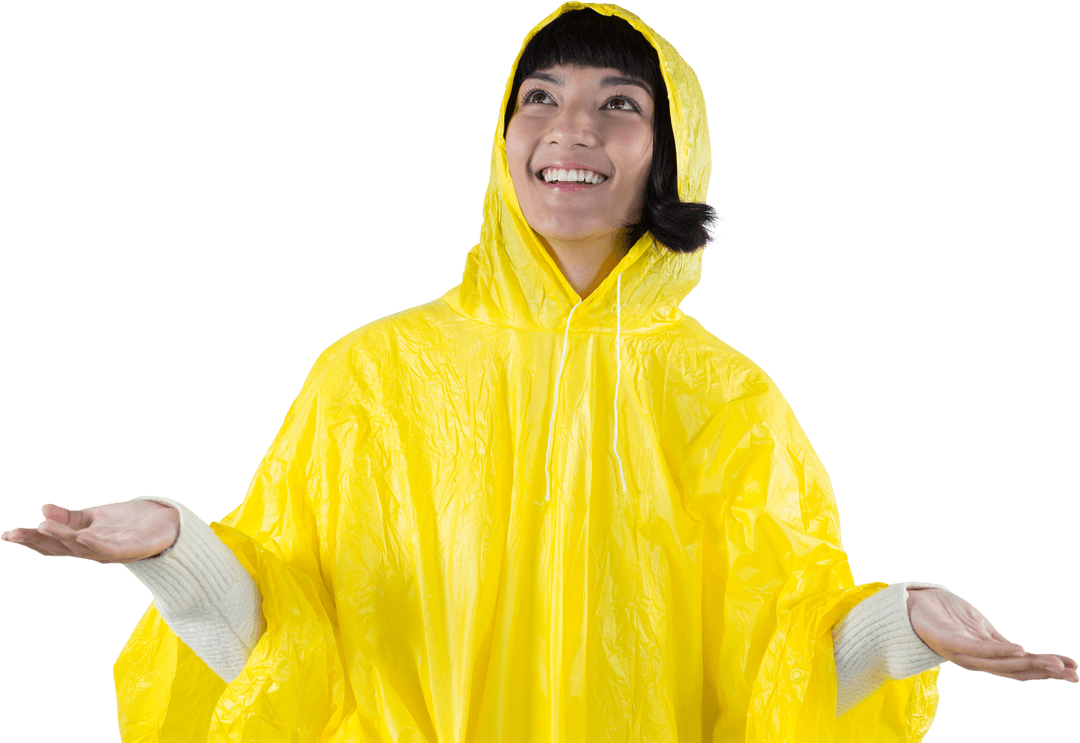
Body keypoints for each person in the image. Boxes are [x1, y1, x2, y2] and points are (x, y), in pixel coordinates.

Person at [2, 3, 1075, 741]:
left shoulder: (728, 403)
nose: (572, 129)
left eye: (620, 103)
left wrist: (904, 624)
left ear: (670, 150)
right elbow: (289, 655)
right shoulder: (374, 377)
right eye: (540, 97)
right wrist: (176, 543)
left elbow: (777, 679)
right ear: (503, 136)